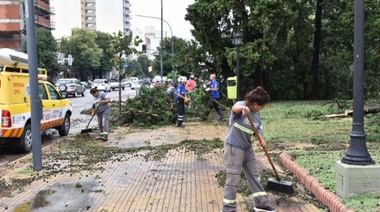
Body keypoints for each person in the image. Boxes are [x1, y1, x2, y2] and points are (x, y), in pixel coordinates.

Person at [222, 86, 276, 212]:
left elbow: (257, 130)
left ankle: (261, 204)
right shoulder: (241, 105)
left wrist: (261, 139)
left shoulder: (256, 113)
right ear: (256, 104)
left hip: (247, 148)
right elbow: (235, 108)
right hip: (234, 148)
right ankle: (228, 208)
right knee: (233, 178)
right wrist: (243, 109)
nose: (262, 108)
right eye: (262, 106)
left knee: (254, 175)